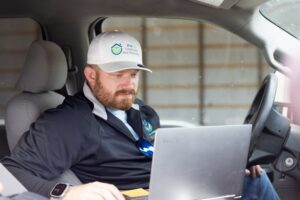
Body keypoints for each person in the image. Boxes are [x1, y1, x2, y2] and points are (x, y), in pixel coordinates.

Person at [1, 31, 279, 200]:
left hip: (167, 190)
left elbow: (158, 156)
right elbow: (12, 173)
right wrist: (67, 192)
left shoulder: (139, 110)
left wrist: (223, 167)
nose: (128, 84)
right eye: (117, 75)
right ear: (90, 75)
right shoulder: (69, 120)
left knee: (252, 178)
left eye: (133, 75)